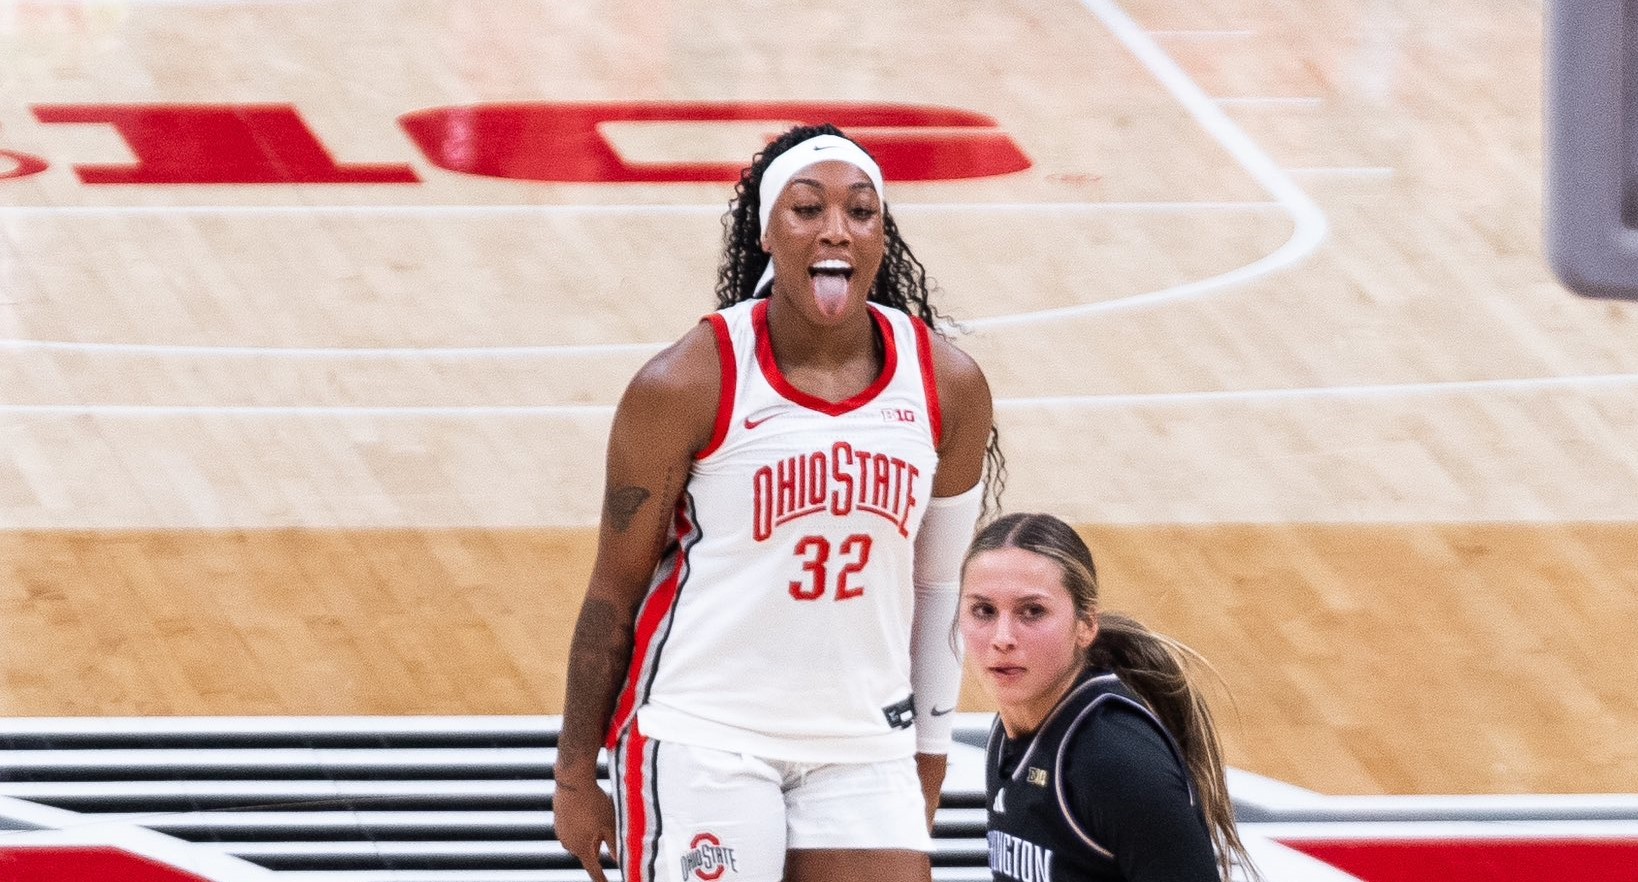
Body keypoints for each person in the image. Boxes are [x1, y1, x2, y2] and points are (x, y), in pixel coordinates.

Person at [553, 123, 1001, 882]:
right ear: (766, 231)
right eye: (807, 209)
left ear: (882, 237)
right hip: (703, 734)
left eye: (861, 212)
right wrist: (573, 775)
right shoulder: (687, 383)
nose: (836, 230)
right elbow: (612, 592)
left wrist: (927, 751)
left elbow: (938, 588)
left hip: (863, 741)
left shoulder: (947, 385)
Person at [958, 513, 1259, 882]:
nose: (1002, 637)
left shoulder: (1112, 756)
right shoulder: (1008, 731)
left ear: (1086, 625)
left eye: (1032, 611)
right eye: (983, 611)